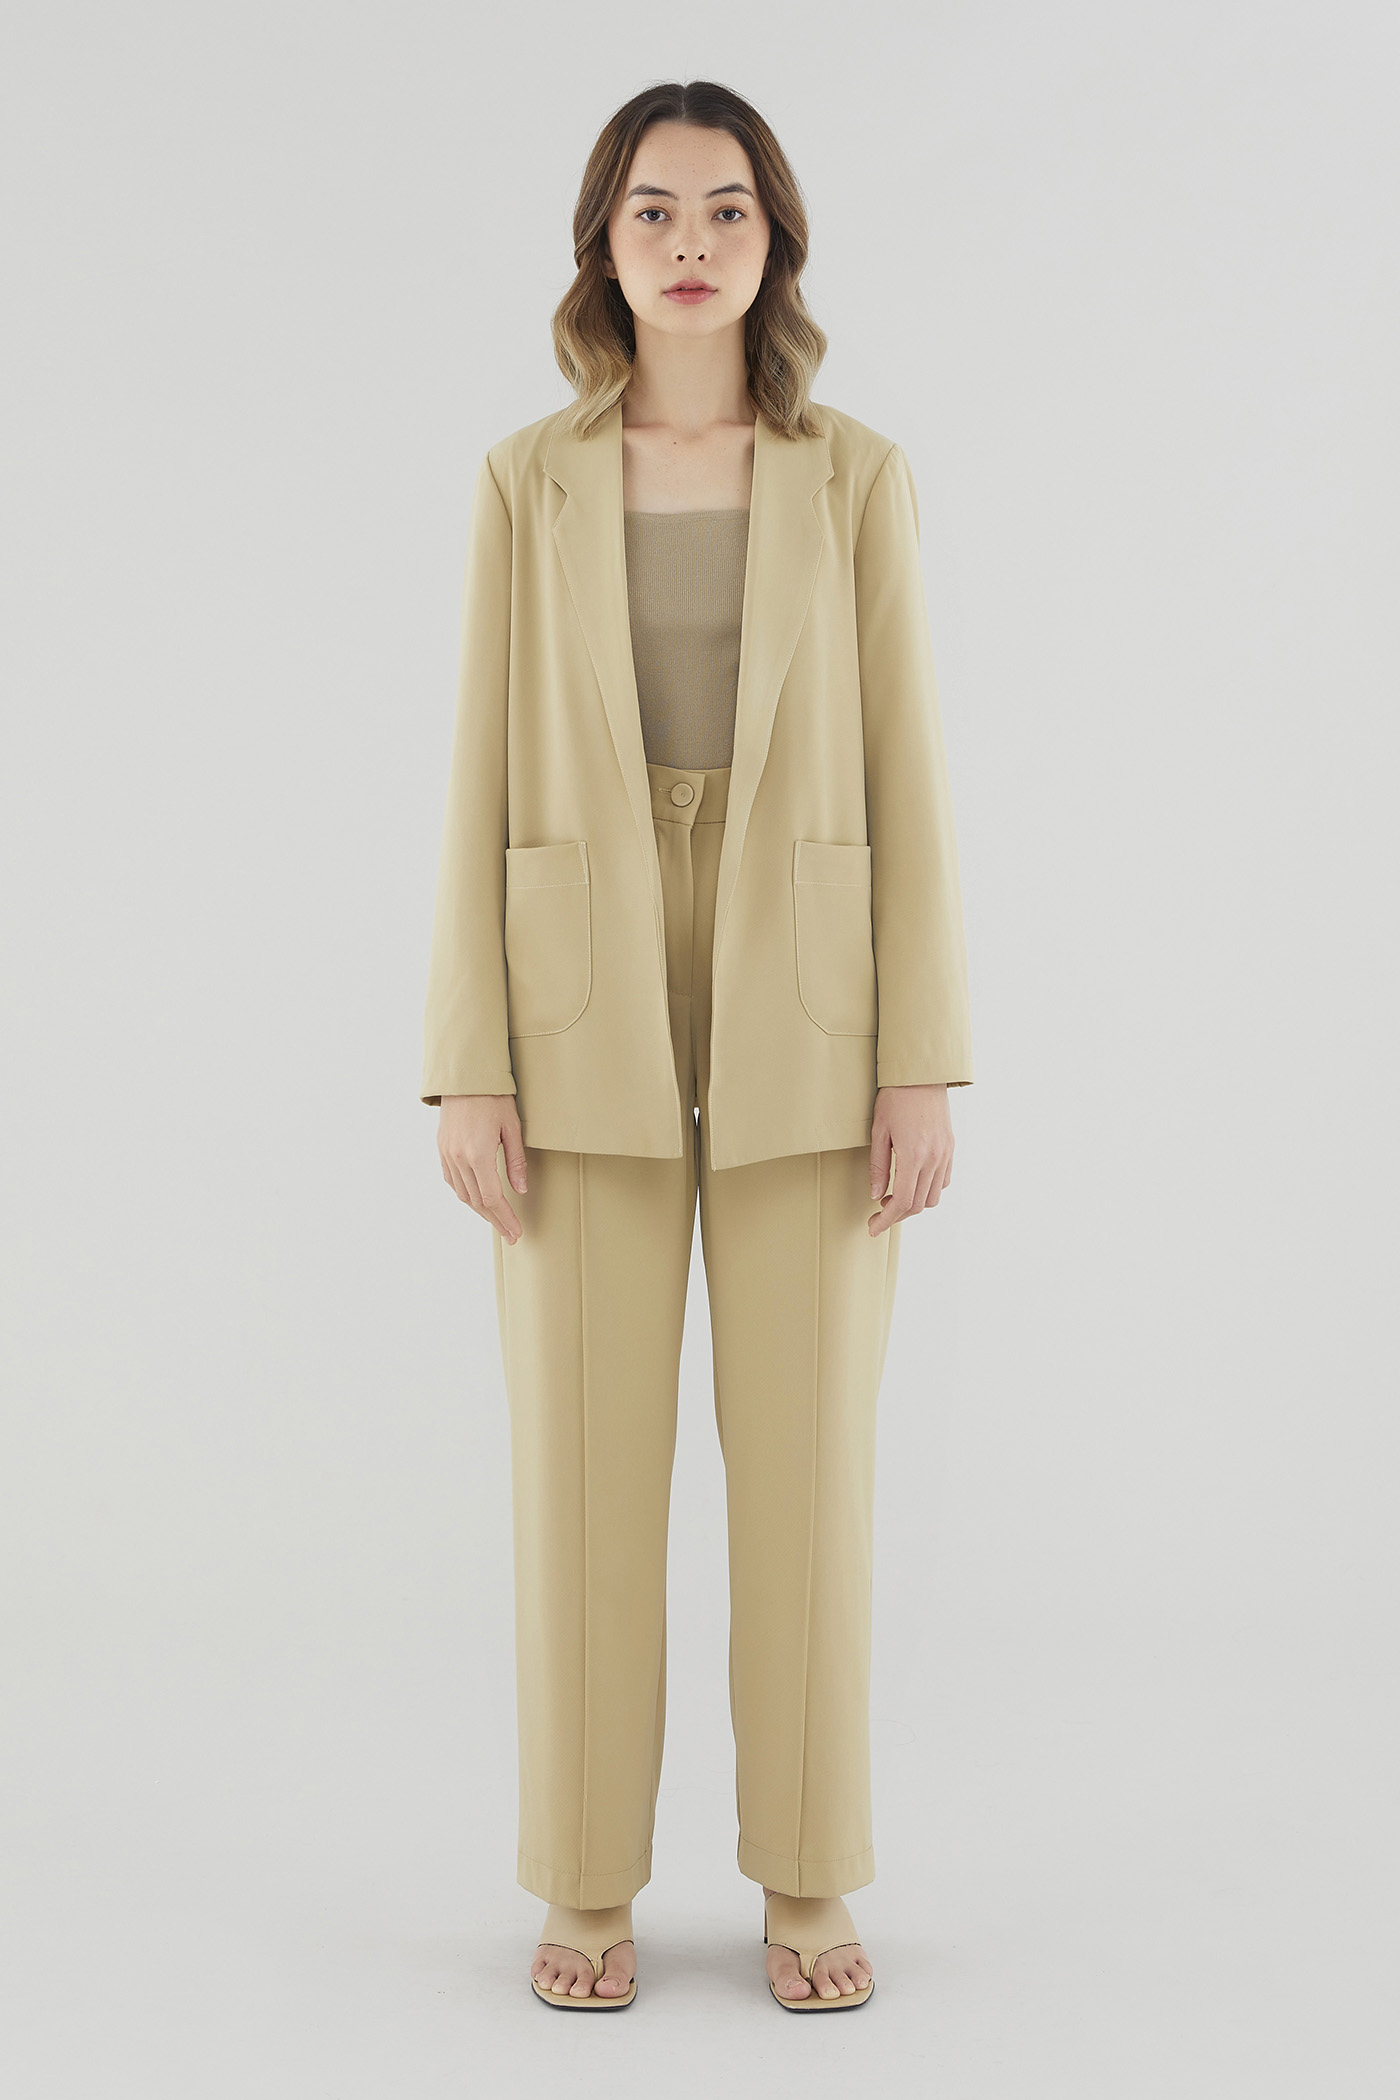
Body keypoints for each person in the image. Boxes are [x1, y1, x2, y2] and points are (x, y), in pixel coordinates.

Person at [421, 79, 973, 2013]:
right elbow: (479, 763)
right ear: (604, 242)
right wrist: (467, 1058)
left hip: (809, 971)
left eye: (726, 208)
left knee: (809, 1463)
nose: (687, 241)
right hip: (576, 980)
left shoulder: (856, 476)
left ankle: (808, 1881)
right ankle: (585, 1883)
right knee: (583, 1466)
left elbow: (907, 765)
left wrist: (923, 1054)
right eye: (651, 209)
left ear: (773, 242)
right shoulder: (527, 480)